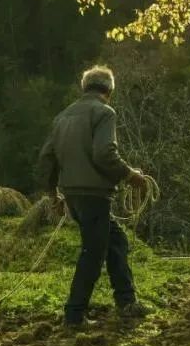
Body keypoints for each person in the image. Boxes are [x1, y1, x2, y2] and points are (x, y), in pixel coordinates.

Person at [39, 65, 153, 329]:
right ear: (109, 90)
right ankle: (74, 315)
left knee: (116, 241)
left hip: (73, 196)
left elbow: (46, 158)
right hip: (95, 195)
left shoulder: (62, 117)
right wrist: (130, 175)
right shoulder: (104, 112)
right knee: (93, 253)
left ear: (84, 88)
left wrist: (52, 194)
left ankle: (126, 302)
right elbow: (104, 154)